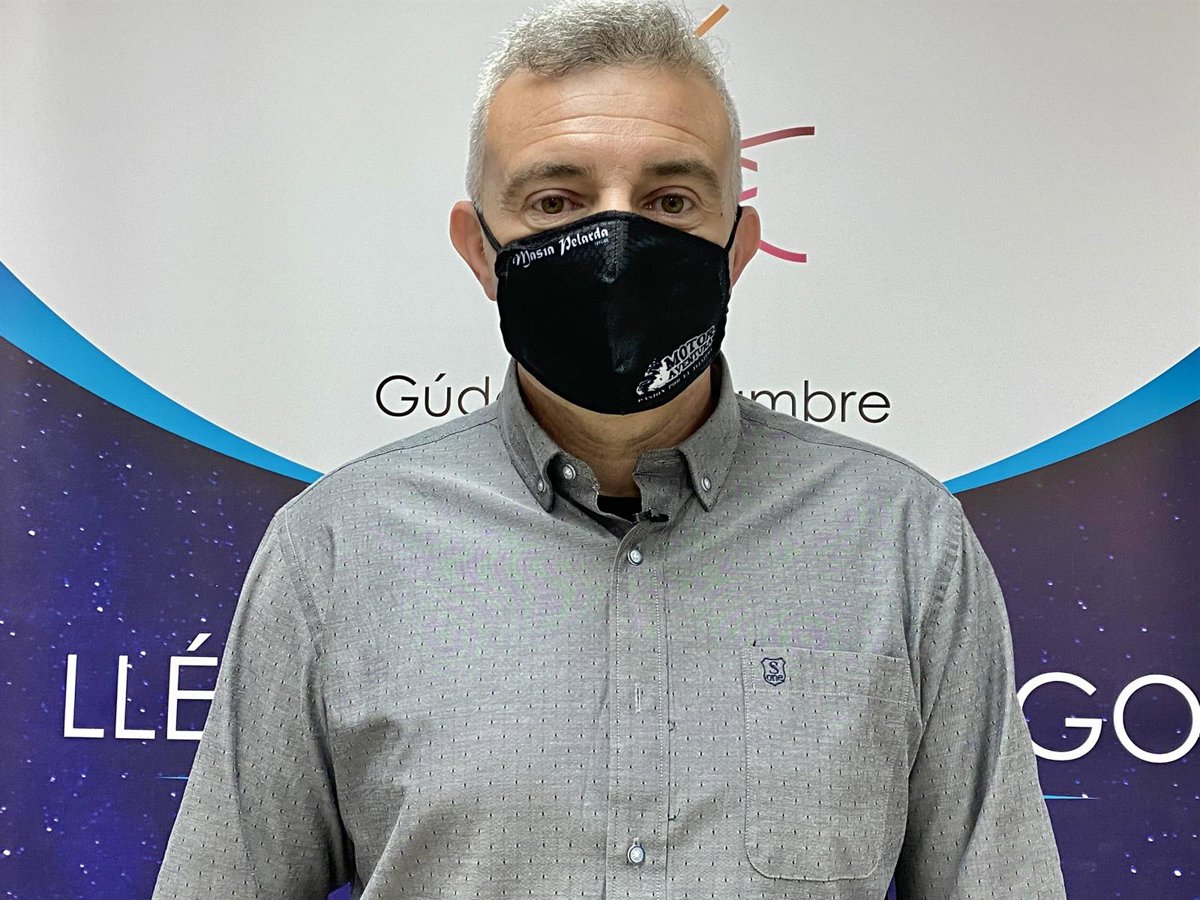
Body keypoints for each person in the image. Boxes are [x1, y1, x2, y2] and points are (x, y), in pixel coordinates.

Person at [152, 1, 1068, 897]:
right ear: (479, 250)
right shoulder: (336, 553)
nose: (617, 245)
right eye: (556, 200)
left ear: (736, 248)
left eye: (671, 199)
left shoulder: (906, 546)